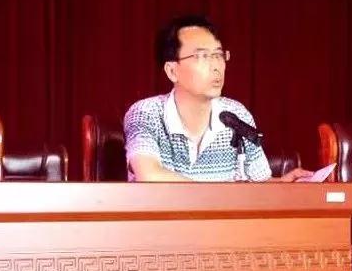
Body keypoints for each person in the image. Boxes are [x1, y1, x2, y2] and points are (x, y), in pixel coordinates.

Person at [123, 14, 312, 182]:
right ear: (172, 71)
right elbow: (149, 175)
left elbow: (258, 184)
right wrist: (216, 198)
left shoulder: (236, 114)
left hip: (225, 213)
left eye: (218, 55)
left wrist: (284, 186)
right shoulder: (147, 113)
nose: (216, 66)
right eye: (203, 56)